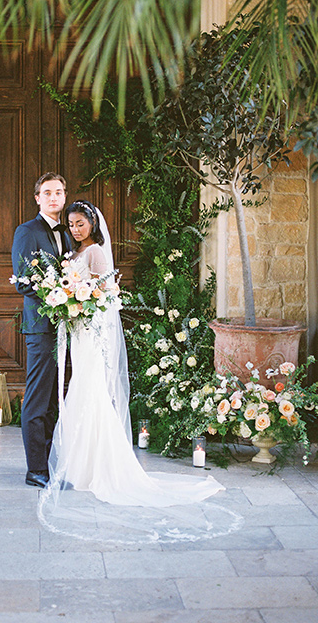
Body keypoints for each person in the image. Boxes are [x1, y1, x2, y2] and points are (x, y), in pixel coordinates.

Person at [38, 199, 243, 545]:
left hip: (89, 332)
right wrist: (65, 299)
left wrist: (77, 300)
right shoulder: (75, 254)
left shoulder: (97, 253)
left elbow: (104, 296)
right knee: (82, 390)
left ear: (91, 223)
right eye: (71, 224)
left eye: (80, 224)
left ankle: (97, 467)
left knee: (90, 391)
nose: (75, 229)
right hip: (78, 331)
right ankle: (81, 466)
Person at [11, 173, 72, 488]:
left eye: (58, 192)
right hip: (41, 329)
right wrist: (60, 298)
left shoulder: (70, 233)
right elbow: (23, 281)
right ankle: (35, 469)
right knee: (37, 399)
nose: (53, 198)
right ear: (37, 198)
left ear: (64, 196)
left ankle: (46, 462)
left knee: (54, 401)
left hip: (69, 328)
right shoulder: (27, 232)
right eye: (47, 192)